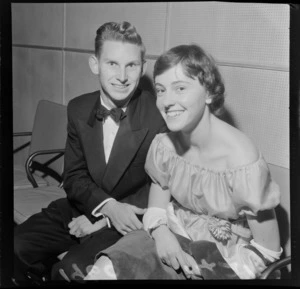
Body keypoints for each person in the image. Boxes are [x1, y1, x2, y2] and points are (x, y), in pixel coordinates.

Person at [83, 44, 283, 280]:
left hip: (226, 259)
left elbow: (267, 253)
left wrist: (206, 268)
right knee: (104, 269)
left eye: (180, 88)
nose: (167, 101)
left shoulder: (243, 160)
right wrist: (161, 232)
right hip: (173, 231)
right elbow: (157, 208)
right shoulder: (164, 146)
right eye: (161, 90)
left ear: (208, 93)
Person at [14, 21, 167, 283]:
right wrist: (105, 208)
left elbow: (164, 187)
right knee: (17, 244)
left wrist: (108, 219)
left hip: (131, 220)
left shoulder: (158, 115)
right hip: (84, 206)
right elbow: (73, 175)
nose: (122, 75)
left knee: (73, 269)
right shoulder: (78, 107)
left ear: (142, 67)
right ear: (94, 64)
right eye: (112, 63)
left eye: (131, 65)